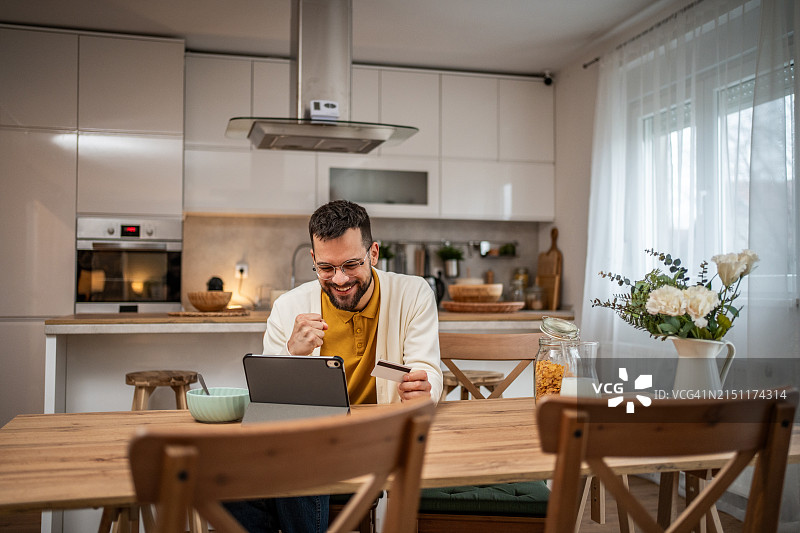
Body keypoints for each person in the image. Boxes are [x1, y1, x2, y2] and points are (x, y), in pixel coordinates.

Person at [225, 200, 442, 533]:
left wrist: (423, 390)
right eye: (326, 268)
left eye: (351, 264)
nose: (340, 279)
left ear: (373, 253)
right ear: (313, 260)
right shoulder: (288, 308)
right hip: (308, 443)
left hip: (376, 440)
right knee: (227, 479)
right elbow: (272, 407)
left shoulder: (413, 294)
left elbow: (427, 370)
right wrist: (293, 354)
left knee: (296, 462)